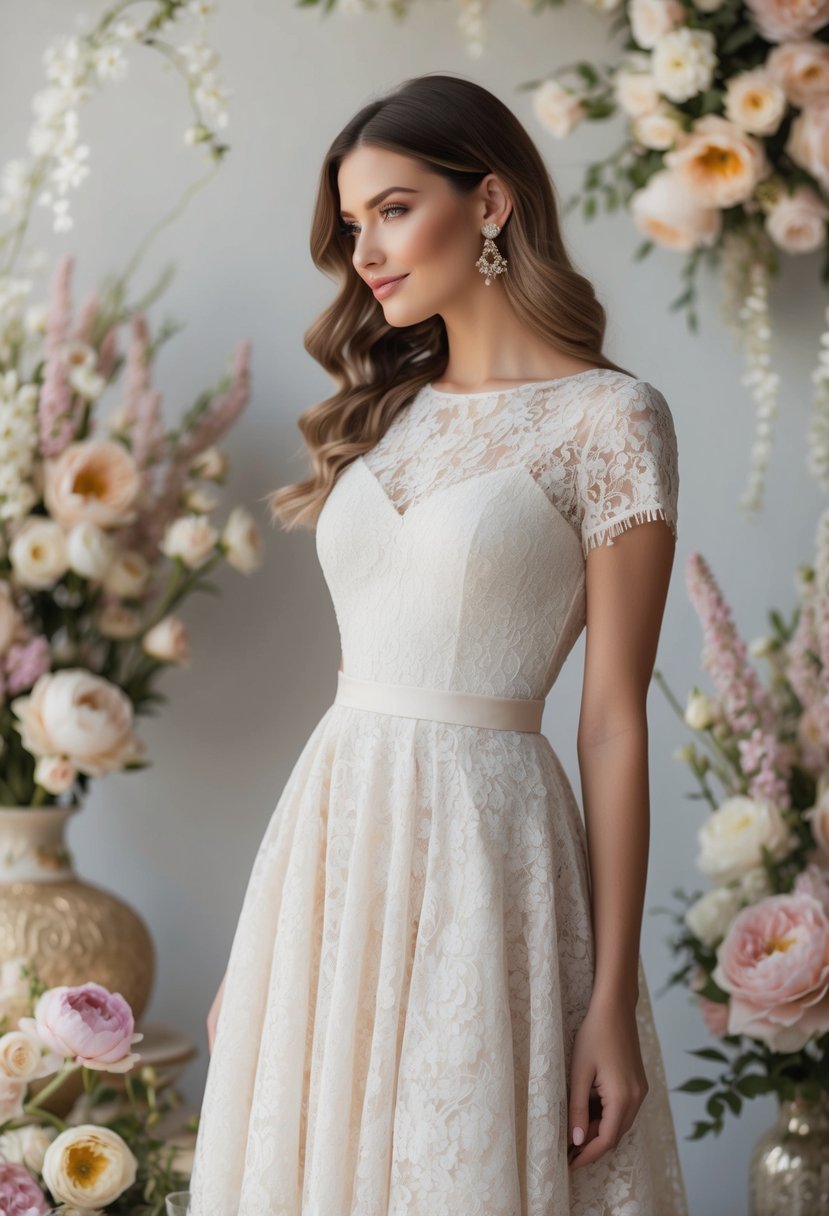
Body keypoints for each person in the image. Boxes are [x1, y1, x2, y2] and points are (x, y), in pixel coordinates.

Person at [188, 72, 690, 1215]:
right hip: (331, 844)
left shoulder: (612, 419)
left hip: (488, 848)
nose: (365, 249)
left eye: (394, 208)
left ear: (493, 202)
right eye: (352, 222)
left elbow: (611, 721)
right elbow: (364, 688)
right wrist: (262, 946)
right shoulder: (387, 411)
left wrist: (609, 997)